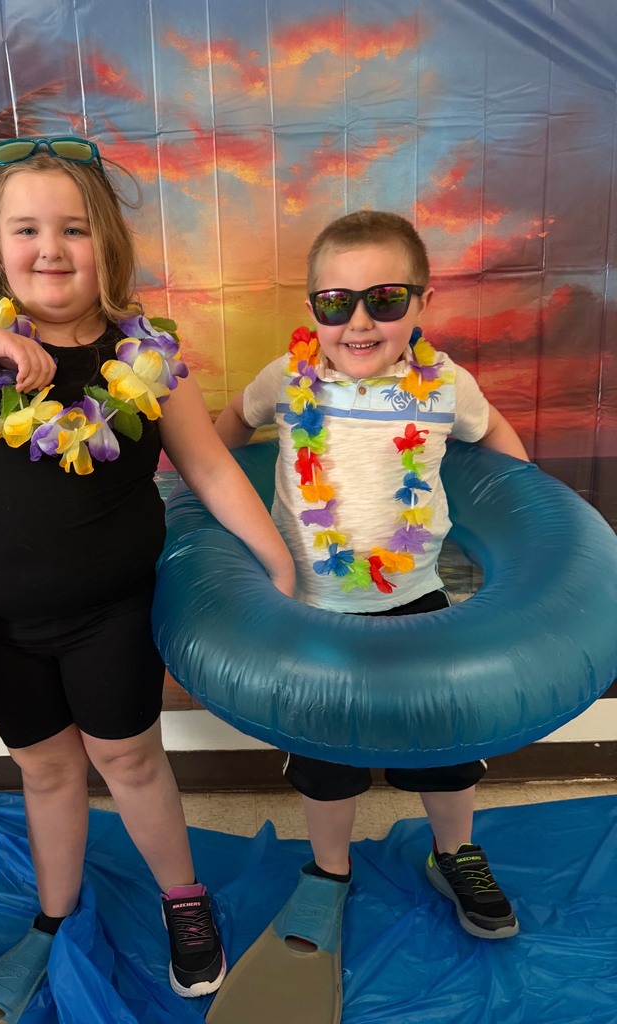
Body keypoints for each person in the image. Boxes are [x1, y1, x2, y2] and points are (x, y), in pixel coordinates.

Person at [0, 136, 295, 1004]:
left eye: (75, 229)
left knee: (130, 760)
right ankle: (53, 914)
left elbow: (208, 467)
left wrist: (274, 557)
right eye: (27, 229)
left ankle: (183, 898)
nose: (50, 248)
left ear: (108, 246)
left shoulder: (146, 359)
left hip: (111, 615)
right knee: (46, 769)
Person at [214, 210, 529, 944]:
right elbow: (228, 424)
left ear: (422, 303)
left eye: (384, 300)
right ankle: (330, 869)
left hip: (418, 601)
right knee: (325, 759)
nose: (359, 322)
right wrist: (205, 502)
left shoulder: (445, 385)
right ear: (313, 310)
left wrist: (531, 508)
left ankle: (455, 854)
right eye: (336, 303)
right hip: (311, 608)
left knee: (445, 750)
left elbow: (493, 432)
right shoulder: (286, 380)